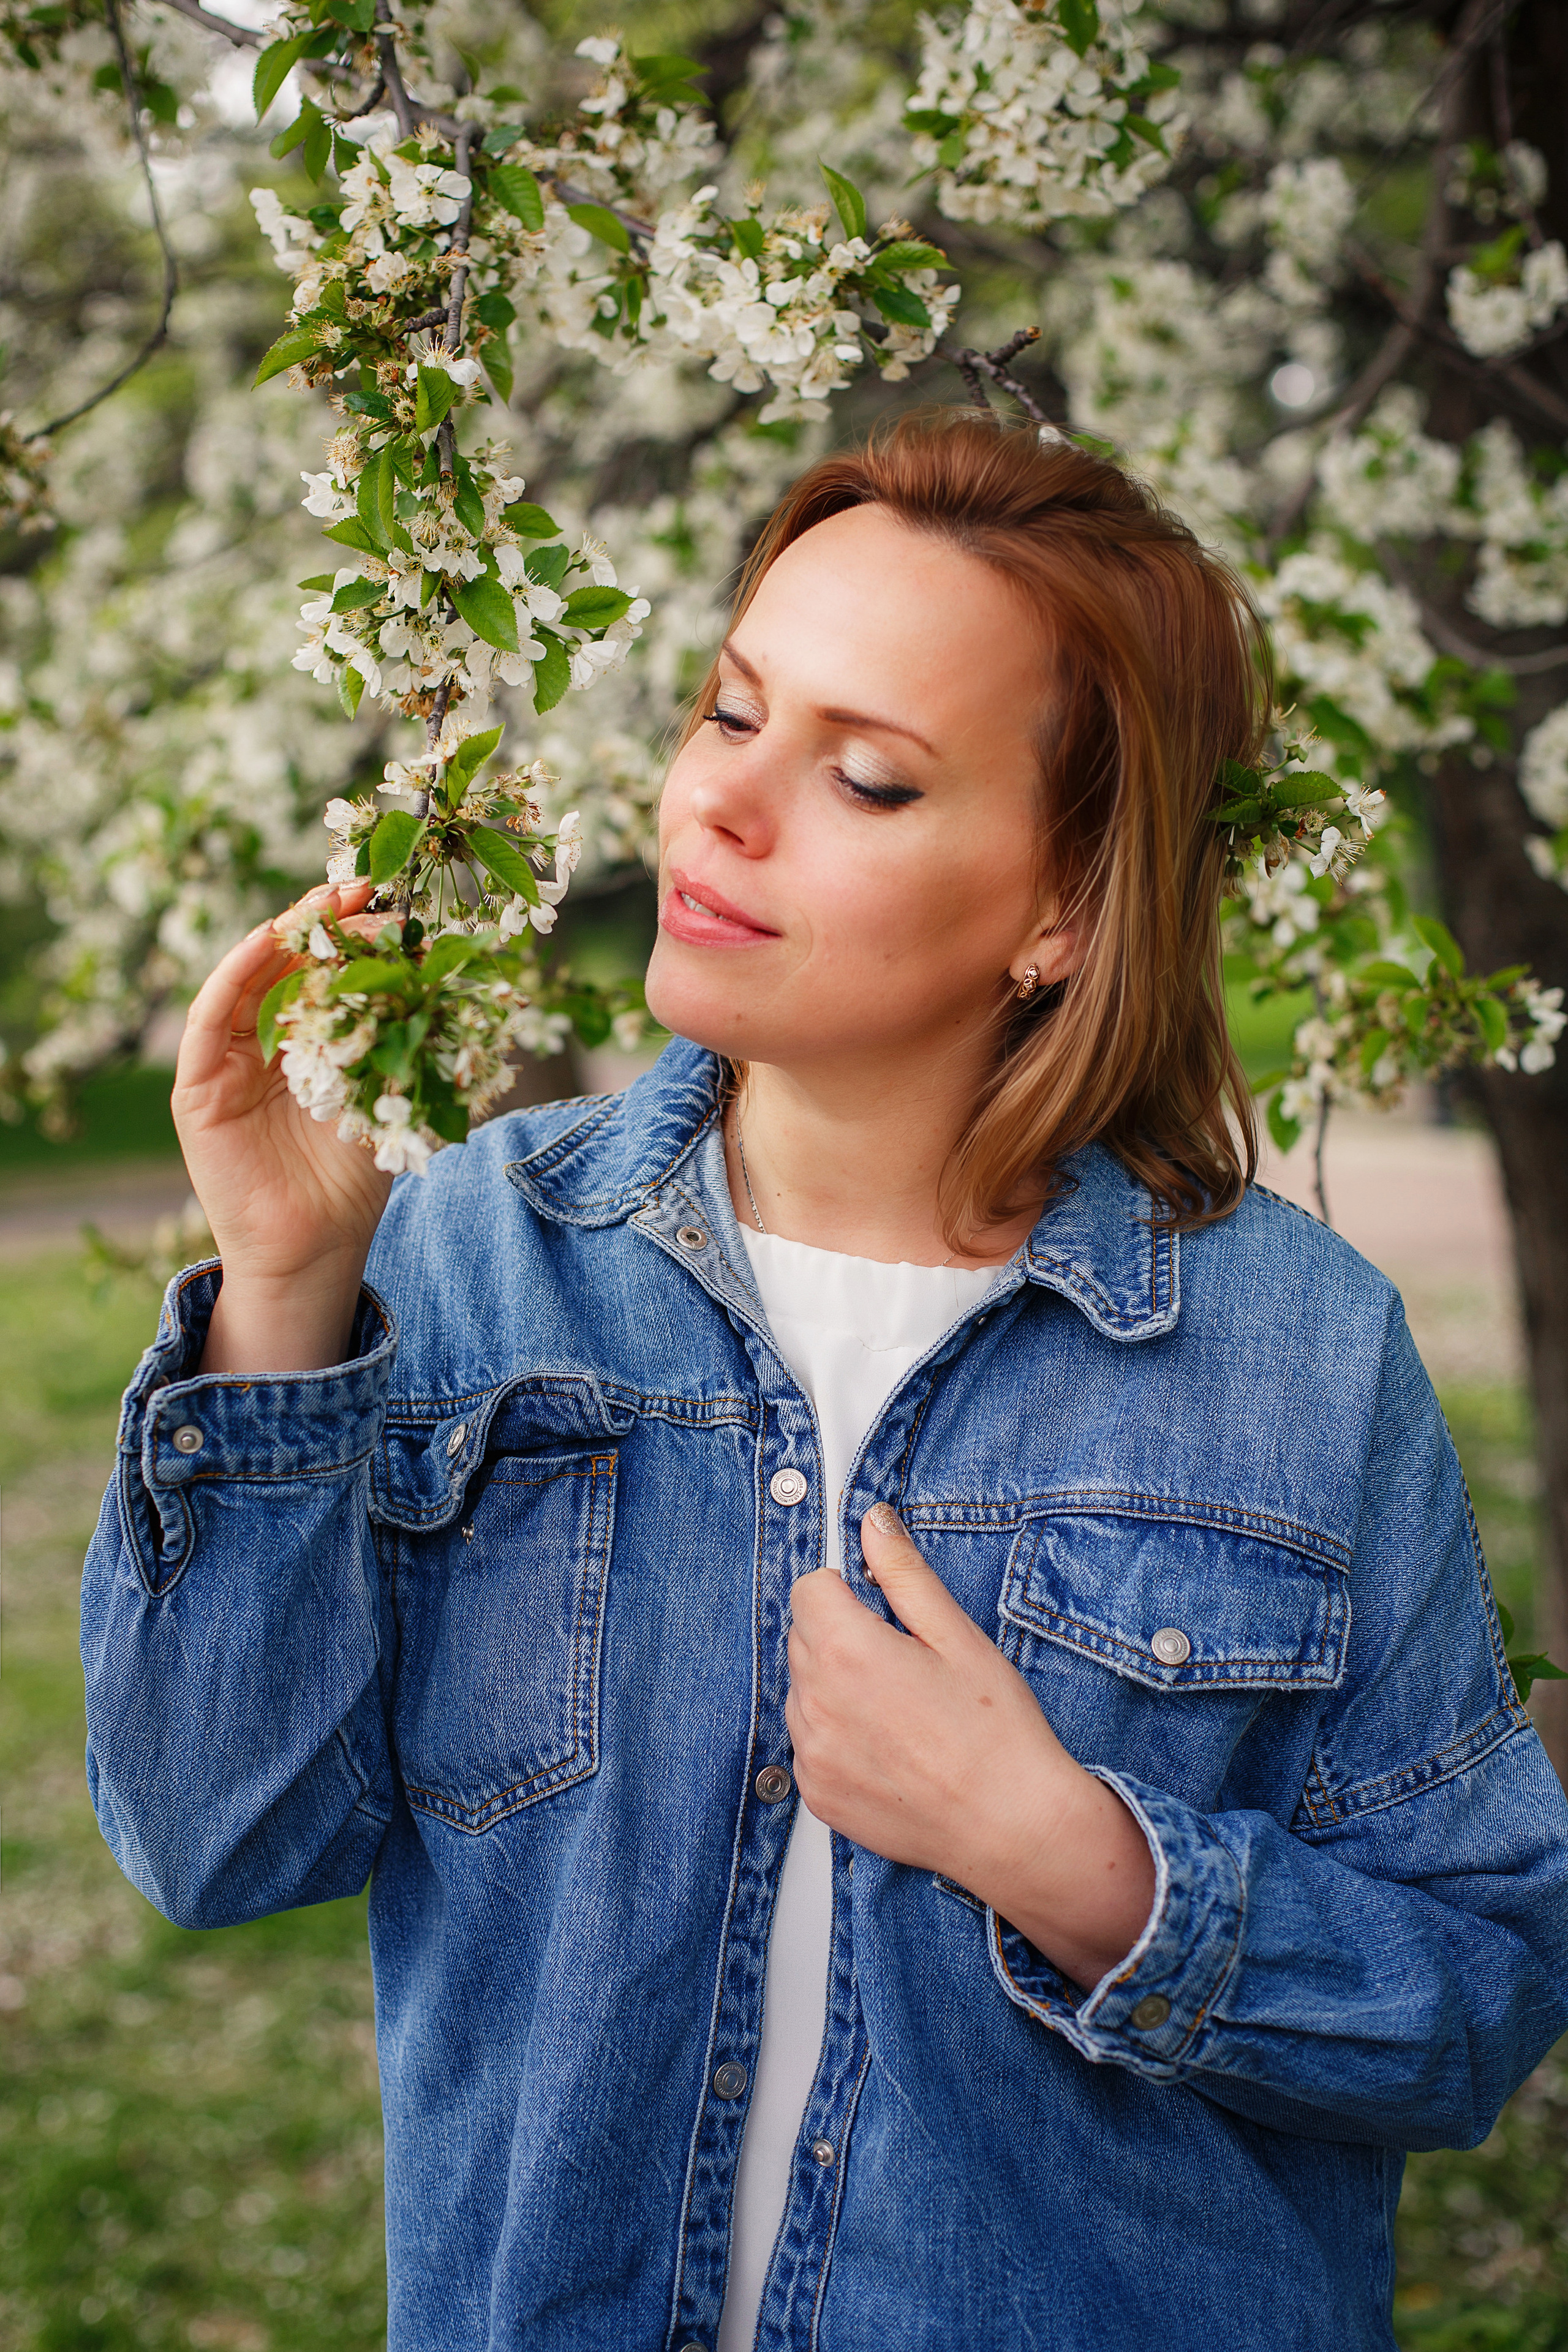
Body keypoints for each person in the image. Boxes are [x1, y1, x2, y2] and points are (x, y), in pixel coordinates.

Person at [82, 413, 1568, 2351]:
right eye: (729, 715)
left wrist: (1085, 1868)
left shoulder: (1293, 1354)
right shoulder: (470, 1260)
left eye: (866, 777)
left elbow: (1474, 1997)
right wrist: (283, 1300)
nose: (725, 809)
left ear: (1061, 910)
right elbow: (212, 1840)